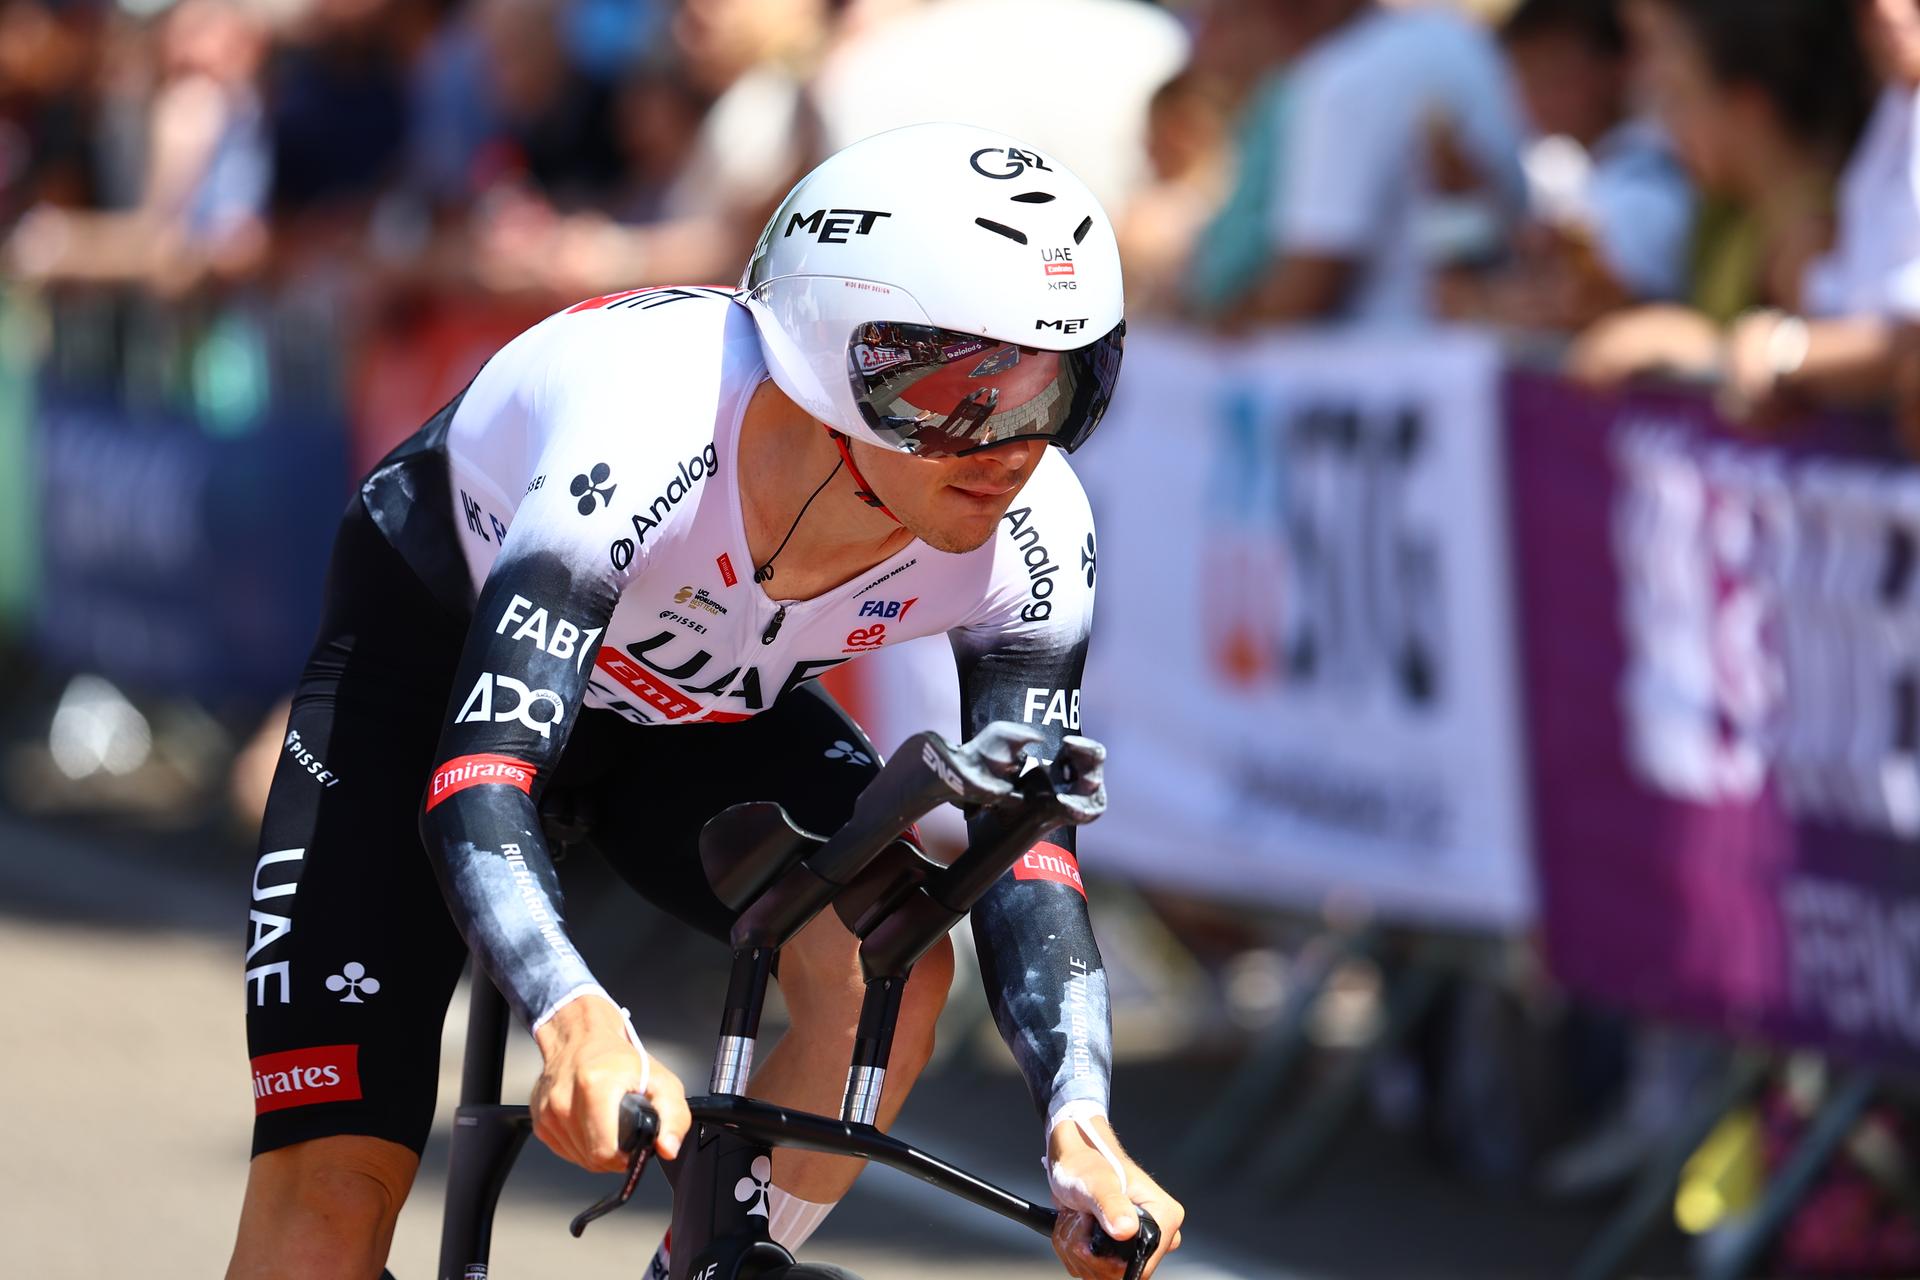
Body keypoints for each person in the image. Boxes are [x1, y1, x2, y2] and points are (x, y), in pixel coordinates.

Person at [223, 121, 1184, 1280]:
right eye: (961, 393)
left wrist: (1080, 1122)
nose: (1012, 448)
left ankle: (706, 1261)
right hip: (434, 673)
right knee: (328, 1201)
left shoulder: (1039, 533)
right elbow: (480, 777)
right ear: (836, 353)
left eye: (1062, 386)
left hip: (699, 707)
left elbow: (1031, 852)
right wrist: (573, 1011)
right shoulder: (645, 425)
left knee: (890, 960)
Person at [1210, 0, 1528, 328]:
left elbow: (1310, 281)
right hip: (1465, 345)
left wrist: (1211, 340)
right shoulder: (1459, 39)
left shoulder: (1349, 75)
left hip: (1394, 358)